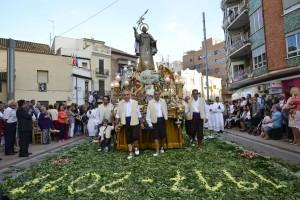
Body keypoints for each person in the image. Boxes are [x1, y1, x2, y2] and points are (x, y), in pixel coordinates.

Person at [115, 90, 144, 159]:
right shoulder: (120, 103)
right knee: (128, 137)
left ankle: (136, 147)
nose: (126, 96)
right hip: (125, 121)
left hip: (134, 120)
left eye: (127, 94)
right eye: (124, 95)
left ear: (130, 95)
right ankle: (131, 152)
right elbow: (117, 115)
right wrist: (116, 124)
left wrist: (142, 123)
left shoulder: (135, 102)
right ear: (122, 96)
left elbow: (138, 113)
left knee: (135, 136)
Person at [146, 91, 168, 156]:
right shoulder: (150, 102)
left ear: (159, 95)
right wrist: (149, 123)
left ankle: (162, 148)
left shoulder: (163, 101)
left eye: (158, 94)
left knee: (163, 135)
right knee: (156, 136)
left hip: (162, 120)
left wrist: (166, 118)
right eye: (155, 94)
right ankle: (157, 151)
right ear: (154, 95)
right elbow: (148, 113)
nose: (157, 95)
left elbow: (165, 110)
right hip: (154, 121)